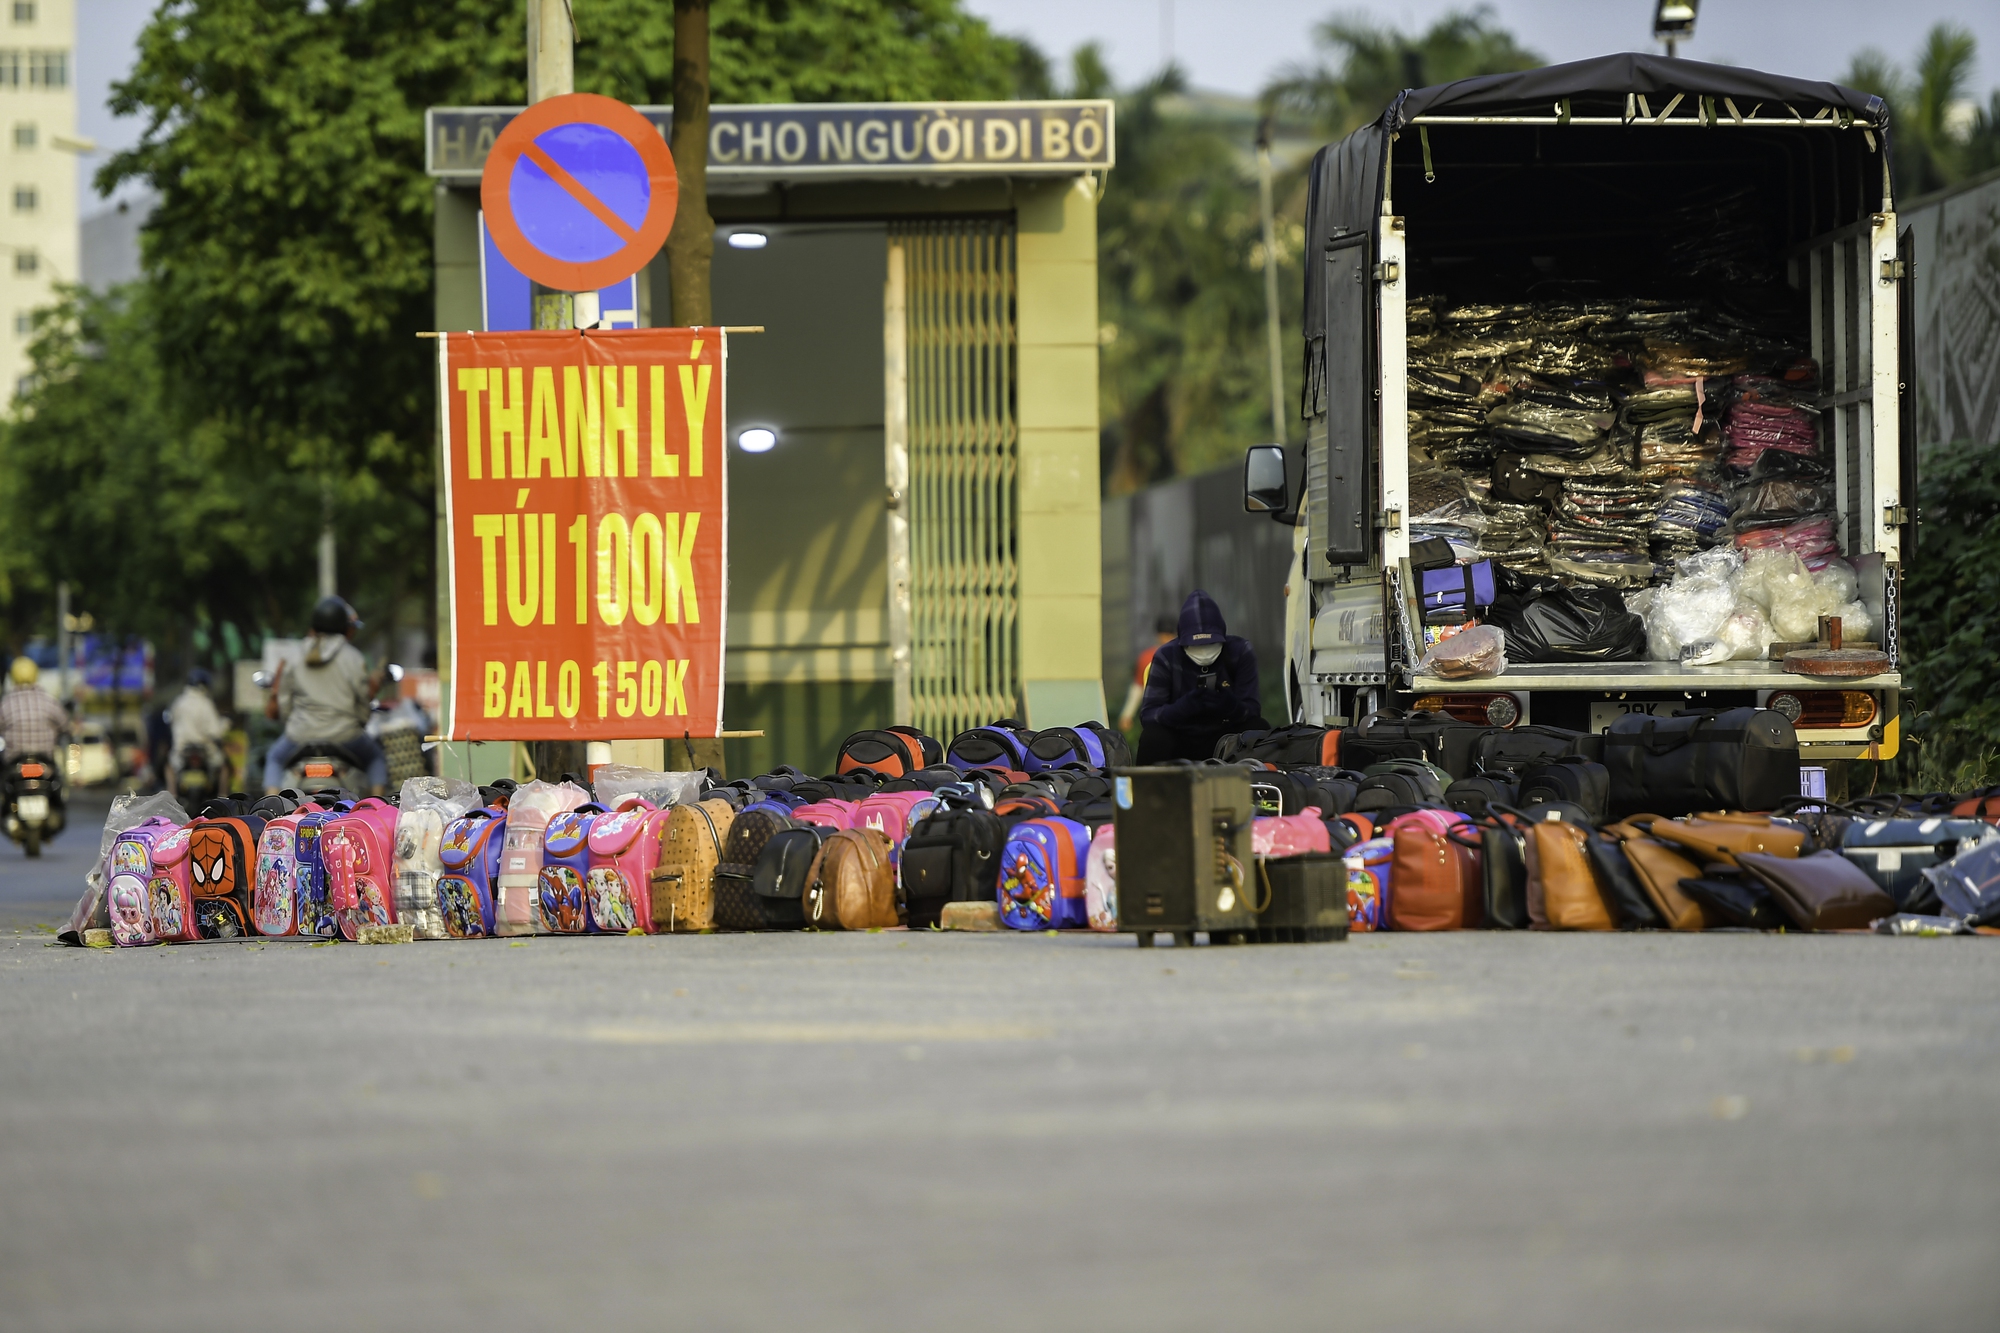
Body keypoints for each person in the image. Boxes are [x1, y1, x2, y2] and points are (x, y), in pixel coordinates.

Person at [263, 596, 389, 795]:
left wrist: (293, 724)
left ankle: (270, 807)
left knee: (274, 758)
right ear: (343, 625)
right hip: (346, 736)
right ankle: (376, 811)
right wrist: (360, 722)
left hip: (300, 735)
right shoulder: (353, 657)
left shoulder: (294, 656)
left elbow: (285, 703)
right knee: (376, 758)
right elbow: (363, 703)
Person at [1136, 590, 1266, 764]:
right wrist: (1182, 708)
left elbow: (1252, 710)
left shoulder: (1240, 651)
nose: (1204, 650)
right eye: (1195, 645)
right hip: (1180, 736)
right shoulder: (1166, 656)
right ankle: (1149, 790)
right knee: (1152, 737)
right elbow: (1149, 715)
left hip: (1227, 738)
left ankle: (1261, 787)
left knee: (1259, 728)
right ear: (1182, 641)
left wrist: (1228, 704)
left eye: (1210, 643)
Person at [167, 667, 231, 791]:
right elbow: (215, 731)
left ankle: (172, 795)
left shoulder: (179, 702)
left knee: (170, 768)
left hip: (182, 749)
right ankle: (223, 798)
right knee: (223, 767)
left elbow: (171, 722)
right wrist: (226, 724)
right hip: (205, 750)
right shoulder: (206, 703)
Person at [1, 656, 69, 763]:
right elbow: (65, 727)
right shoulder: (50, 701)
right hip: (45, 765)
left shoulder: (5, 704)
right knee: (59, 777)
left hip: (14, 765)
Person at [1117, 614, 1179, 733]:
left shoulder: (1183, 657)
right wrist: (1127, 714)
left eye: (1168, 635)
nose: (1166, 639)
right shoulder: (1147, 658)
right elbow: (1138, 688)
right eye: (1164, 635)